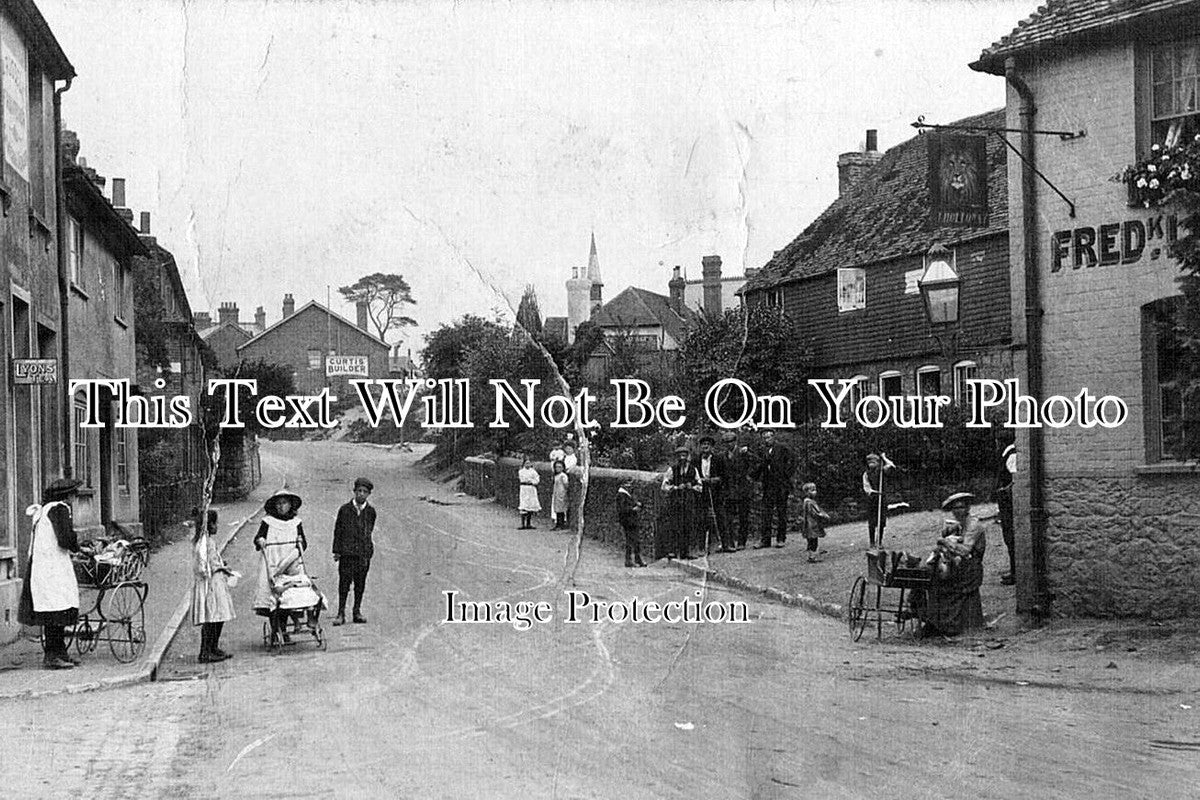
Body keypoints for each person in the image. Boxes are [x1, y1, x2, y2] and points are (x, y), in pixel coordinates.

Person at [18, 478, 83, 669]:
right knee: (57, 609)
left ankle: (59, 652)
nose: (74, 498)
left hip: (42, 566)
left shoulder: (45, 510)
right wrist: (77, 545)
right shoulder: (60, 509)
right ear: (67, 495)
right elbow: (65, 539)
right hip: (52, 567)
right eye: (73, 495)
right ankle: (53, 656)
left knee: (54, 609)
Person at [911, 492, 988, 637]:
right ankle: (928, 617)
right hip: (961, 566)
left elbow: (965, 551)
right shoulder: (961, 524)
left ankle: (945, 624)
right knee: (928, 577)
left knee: (941, 584)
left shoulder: (974, 525)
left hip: (970, 568)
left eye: (961, 508)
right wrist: (948, 533)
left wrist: (945, 542)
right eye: (955, 509)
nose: (957, 511)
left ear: (967, 508)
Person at [253, 490, 323, 641]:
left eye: (284, 503)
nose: (281, 507)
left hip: (291, 563)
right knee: (275, 597)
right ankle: (278, 631)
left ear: (290, 505)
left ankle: (291, 626)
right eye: (278, 504)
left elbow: (303, 543)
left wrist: (300, 541)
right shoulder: (268, 522)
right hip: (273, 563)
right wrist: (260, 541)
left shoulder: (296, 522)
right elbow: (258, 538)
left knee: (293, 594)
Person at [192, 509, 235, 663]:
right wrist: (223, 568)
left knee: (218, 616)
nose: (217, 526)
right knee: (212, 617)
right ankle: (205, 651)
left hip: (214, 582)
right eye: (215, 523)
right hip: (211, 583)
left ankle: (212, 647)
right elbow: (208, 565)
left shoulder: (204, 541)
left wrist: (221, 564)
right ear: (209, 525)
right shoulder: (206, 543)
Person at [332, 478, 376, 625]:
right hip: (347, 554)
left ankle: (356, 611)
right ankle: (340, 613)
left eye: (365, 492)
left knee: (360, 583)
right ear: (354, 491)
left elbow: (369, 531)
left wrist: (368, 551)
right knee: (344, 583)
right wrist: (337, 551)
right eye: (359, 491)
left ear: (369, 494)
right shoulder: (345, 510)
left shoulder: (370, 512)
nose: (361, 494)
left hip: (363, 555)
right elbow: (338, 531)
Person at [754, 430, 795, 548]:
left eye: (769, 437)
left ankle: (781, 538)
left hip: (781, 485)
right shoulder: (762, 451)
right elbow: (760, 465)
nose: (767, 440)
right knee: (766, 513)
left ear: (773, 437)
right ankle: (765, 540)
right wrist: (754, 477)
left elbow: (792, 461)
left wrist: (786, 475)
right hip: (768, 486)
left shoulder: (782, 448)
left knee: (781, 512)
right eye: (764, 438)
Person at [661, 445, 702, 559]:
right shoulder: (672, 469)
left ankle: (686, 552)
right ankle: (673, 551)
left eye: (684, 455)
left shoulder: (693, 469)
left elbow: (700, 486)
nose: (682, 458)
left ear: (688, 456)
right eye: (680, 456)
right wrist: (675, 487)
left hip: (689, 500)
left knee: (688, 525)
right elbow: (664, 486)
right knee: (675, 525)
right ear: (677, 457)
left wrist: (692, 486)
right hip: (676, 501)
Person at [695, 435, 730, 553]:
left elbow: (725, 476)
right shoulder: (695, 460)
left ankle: (726, 545)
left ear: (711, 447)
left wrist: (713, 480)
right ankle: (701, 548)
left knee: (720, 518)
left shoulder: (719, 459)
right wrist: (700, 480)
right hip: (701, 494)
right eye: (703, 444)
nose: (705, 446)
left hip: (716, 493)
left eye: (708, 444)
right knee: (701, 520)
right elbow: (692, 476)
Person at [722, 431, 754, 550]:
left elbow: (755, 463)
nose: (729, 444)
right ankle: (730, 542)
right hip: (729, 491)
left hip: (742, 489)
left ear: (735, 441)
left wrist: (749, 477)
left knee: (743, 517)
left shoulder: (743, 452)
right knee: (729, 518)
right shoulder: (723, 455)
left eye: (731, 441)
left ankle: (742, 542)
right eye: (726, 442)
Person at [994, 434, 1017, 586]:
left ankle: (1016, 573)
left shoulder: (1012, 455)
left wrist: (1003, 491)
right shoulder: (1008, 454)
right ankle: (1014, 570)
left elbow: (1015, 480)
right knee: (1008, 536)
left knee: (1011, 537)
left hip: (1010, 504)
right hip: (1007, 503)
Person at [862, 452, 895, 548]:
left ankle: (879, 541)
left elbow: (892, 466)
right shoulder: (866, 474)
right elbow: (866, 487)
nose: (871, 464)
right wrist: (874, 492)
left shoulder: (882, 471)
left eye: (874, 462)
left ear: (877, 462)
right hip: (872, 499)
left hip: (882, 499)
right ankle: (872, 542)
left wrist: (884, 457)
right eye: (869, 462)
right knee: (872, 522)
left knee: (881, 521)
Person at [617, 480, 646, 567]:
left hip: (632, 520)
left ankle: (637, 559)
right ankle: (629, 560)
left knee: (635, 540)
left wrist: (637, 504)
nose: (629, 486)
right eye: (627, 483)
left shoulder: (627, 494)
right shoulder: (621, 495)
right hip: (628, 521)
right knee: (631, 540)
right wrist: (633, 509)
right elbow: (622, 509)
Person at [800, 482, 831, 563]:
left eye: (815, 490)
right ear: (807, 492)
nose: (815, 492)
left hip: (811, 524)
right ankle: (812, 556)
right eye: (812, 490)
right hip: (811, 525)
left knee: (812, 541)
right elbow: (814, 513)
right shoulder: (809, 502)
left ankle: (812, 555)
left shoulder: (809, 501)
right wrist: (822, 516)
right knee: (813, 541)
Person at [517, 456, 541, 530]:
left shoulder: (533, 471)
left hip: (531, 489)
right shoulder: (521, 471)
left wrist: (532, 481)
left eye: (529, 463)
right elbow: (523, 479)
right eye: (526, 463)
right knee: (524, 505)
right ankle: (523, 524)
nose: (528, 464)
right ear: (523, 464)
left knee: (530, 505)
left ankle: (528, 523)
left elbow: (537, 479)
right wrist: (530, 480)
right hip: (524, 489)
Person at [550, 460, 570, 529]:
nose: (558, 468)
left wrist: (564, 491)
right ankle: (558, 523)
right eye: (556, 467)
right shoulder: (556, 475)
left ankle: (561, 523)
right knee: (557, 508)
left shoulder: (563, 475)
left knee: (561, 508)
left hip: (561, 493)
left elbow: (566, 484)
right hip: (556, 492)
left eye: (560, 467)